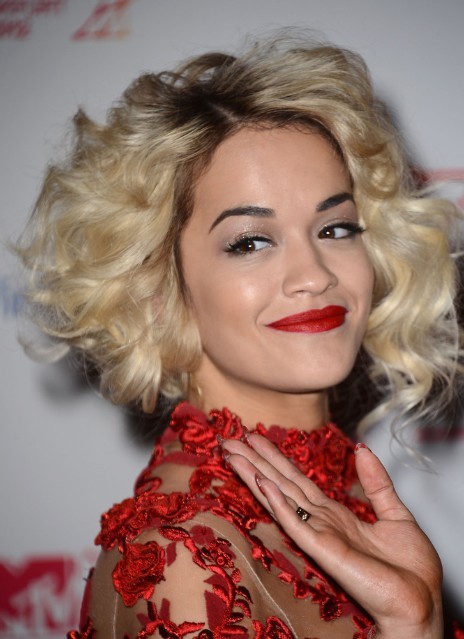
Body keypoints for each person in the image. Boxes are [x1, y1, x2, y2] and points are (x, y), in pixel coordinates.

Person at [16, 33, 463, 639]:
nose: (314, 275)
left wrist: (417, 622)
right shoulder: (183, 559)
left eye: (335, 228)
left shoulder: (345, 489)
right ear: (158, 288)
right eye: (250, 242)